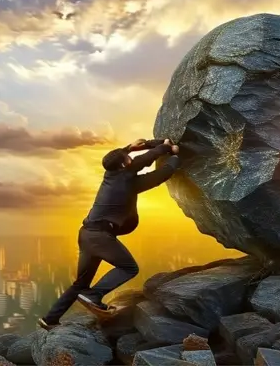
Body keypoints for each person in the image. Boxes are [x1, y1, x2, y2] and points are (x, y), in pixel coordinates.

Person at [37, 138, 181, 329]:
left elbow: (126, 158)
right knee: (129, 268)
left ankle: (49, 319)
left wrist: (131, 147)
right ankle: (94, 295)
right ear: (123, 164)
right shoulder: (127, 178)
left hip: (86, 234)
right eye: (128, 158)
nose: (131, 158)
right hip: (100, 236)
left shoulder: (112, 173)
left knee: (80, 283)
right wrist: (173, 153)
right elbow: (162, 171)